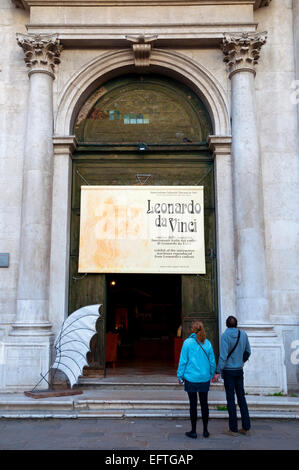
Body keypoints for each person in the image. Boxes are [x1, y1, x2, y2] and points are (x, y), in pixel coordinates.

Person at [177, 320, 216, 439]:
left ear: (192, 330)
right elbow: (212, 362)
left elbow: (183, 361)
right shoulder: (207, 343)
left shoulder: (187, 343)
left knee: (193, 405)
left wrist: (180, 375)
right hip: (204, 378)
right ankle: (205, 430)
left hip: (191, 378)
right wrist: (211, 374)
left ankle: (193, 431)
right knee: (204, 404)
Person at [213, 315, 251, 436]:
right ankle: (246, 426)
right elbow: (248, 352)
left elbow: (223, 356)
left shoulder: (224, 336)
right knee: (242, 398)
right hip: (239, 370)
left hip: (229, 372)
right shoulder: (243, 334)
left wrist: (218, 371)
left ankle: (233, 428)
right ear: (236, 324)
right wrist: (240, 362)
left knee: (230, 399)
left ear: (226, 324)